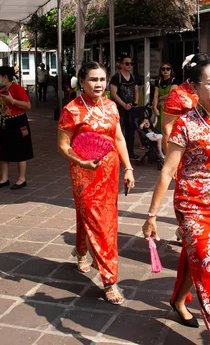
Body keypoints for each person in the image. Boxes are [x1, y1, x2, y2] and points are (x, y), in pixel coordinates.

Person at [142, 57, 210, 345]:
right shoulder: (185, 125)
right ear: (194, 87)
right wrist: (152, 215)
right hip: (190, 204)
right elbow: (168, 170)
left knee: (198, 254)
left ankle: (178, 300)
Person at [58, 61, 135, 305]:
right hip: (84, 173)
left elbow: (119, 138)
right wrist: (80, 162)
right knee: (101, 225)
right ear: (81, 81)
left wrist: (128, 168)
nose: (99, 84)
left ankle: (81, 251)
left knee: (99, 217)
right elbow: (63, 145)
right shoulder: (72, 110)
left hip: (109, 172)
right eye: (93, 79)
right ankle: (110, 279)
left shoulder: (112, 106)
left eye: (102, 79)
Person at [0, 66, 33, 190]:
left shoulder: (17, 89)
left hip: (19, 121)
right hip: (6, 121)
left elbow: (28, 105)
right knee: (3, 150)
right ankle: (4, 178)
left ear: (5, 77)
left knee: (21, 150)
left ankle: (22, 179)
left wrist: (13, 101)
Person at [110, 55, 138, 158]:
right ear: (121, 64)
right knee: (119, 131)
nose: (129, 65)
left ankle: (130, 153)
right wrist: (123, 104)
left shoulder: (133, 76)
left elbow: (136, 89)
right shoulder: (116, 77)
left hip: (130, 108)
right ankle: (118, 153)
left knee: (131, 131)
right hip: (119, 108)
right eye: (127, 63)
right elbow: (113, 93)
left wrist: (135, 102)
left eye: (131, 63)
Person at [153, 62, 177, 131]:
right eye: (163, 69)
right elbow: (155, 95)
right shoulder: (158, 81)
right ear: (160, 71)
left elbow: (171, 94)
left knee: (169, 127)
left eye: (168, 69)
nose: (165, 71)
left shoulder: (174, 80)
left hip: (170, 105)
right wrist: (154, 107)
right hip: (160, 106)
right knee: (159, 126)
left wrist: (160, 98)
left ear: (171, 70)